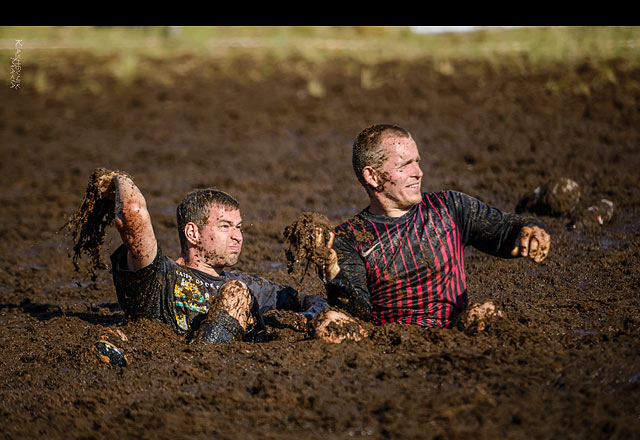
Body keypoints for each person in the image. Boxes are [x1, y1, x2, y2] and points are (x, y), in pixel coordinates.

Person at [312, 124, 551, 331]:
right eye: (405, 165)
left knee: (485, 313)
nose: (418, 173)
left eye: (417, 162)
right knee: (329, 324)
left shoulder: (450, 207)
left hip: (457, 329)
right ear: (372, 176)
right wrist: (334, 274)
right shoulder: (348, 237)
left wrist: (530, 229)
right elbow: (357, 314)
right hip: (389, 340)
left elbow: (506, 231)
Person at [97, 170, 330, 344]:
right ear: (193, 233)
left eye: (239, 227)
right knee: (235, 292)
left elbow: (311, 301)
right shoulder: (160, 276)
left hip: (235, 372)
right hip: (179, 366)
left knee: (237, 290)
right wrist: (117, 178)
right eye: (225, 226)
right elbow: (133, 212)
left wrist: (305, 317)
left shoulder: (251, 286)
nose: (237, 236)